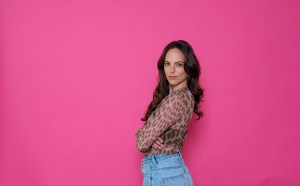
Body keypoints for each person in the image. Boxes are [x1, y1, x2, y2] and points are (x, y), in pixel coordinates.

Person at [136, 40, 204, 186]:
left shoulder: (177, 99)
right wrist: (149, 136)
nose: (171, 70)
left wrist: (147, 136)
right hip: (172, 171)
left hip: (163, 172)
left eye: (179, 64)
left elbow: (141, 143)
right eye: (167, 64)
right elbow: (145, 138)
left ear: (188, 67)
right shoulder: (185, 96)